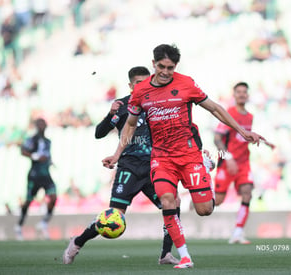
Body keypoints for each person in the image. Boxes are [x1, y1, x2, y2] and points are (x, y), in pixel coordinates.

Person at [102, 44, 265, 269]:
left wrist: (242, 131)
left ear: (175, 66)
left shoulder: (186, 83)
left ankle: (205, 165)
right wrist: (117, 154)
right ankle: (184, 255)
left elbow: (215, 109)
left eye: (170, 67)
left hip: (189, 156)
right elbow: (130, 125)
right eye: (161, 66)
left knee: (204, 209)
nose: (165, 72)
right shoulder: (141, 91)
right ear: (153, 64)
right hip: (162, 158)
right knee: (168, 200)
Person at [63, 66, 180, 265]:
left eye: (146, 82)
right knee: (114, 216)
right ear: (130, 85)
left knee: (173, 204)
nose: (142, 86)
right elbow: (99, 133)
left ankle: (165, 254)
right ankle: (77, 242)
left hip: (154, 168)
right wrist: (110, 115)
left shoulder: (157, 104)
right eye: (138, 83)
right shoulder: (123, 106)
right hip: (129, 168)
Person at [213, 82, 275, 244]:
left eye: (244, 92)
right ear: (234, 95)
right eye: (238, 92)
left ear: (247, 95)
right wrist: (228, 158)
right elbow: (217, 139)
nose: (241, 95)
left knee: (247, 191)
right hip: (227, 162)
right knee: (217, 201)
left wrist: (264, 142)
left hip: (243, 162)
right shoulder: (228, 113)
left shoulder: (249, 117)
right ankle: (196, 202)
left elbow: (243, 137)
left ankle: (238, 232)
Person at [14, 118, 57, 240]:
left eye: (44, 124)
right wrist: (35, 156)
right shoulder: (31, 140)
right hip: (34, 175)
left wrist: (50, 162)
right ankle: (19, 225)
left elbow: (47, 156)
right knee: (28, 201)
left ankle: (43, 223)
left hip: (46, 174)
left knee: (53, 197)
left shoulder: (48, 141)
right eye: (40, 124)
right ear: (36, 126)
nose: (42, 126)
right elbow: (22, 151)